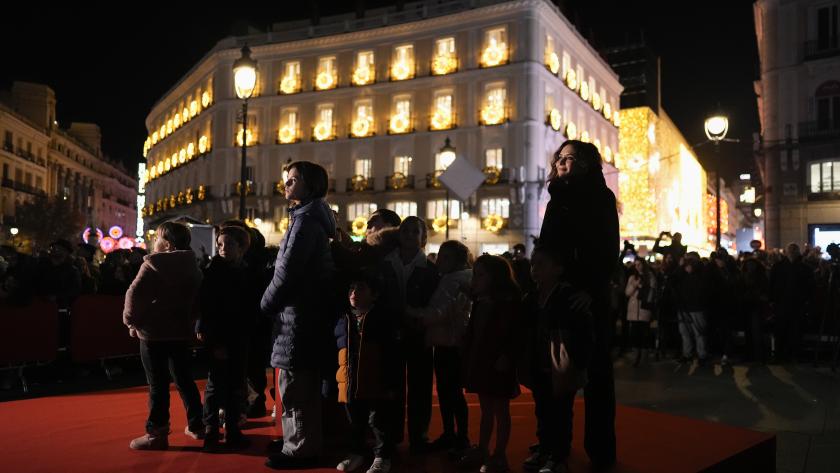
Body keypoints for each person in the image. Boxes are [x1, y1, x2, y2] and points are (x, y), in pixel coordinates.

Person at [538, 140, 619, 469]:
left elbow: (607, 247)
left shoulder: (600, 197)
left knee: (597, 377)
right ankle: (555, 445)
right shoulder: (557, 198)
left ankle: (600, 450)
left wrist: (592, 288)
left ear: (586, 163)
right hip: (558, 293)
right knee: (557, 376)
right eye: (559, 158)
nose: (561, 163)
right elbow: (547, 245)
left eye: (568, 158)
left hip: (587, 297)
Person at [263, 161, 336, 469]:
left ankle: (301, 448)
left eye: (293, 180)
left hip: (298, 314)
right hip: (301, 312)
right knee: (297, 384)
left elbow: (288, 271)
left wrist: (265, 304)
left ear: (311, 185)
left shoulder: (305, 222)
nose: (286, 184)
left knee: (295, 387)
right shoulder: (306, 218)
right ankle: (298, 440)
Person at [123, 221, 204, 450]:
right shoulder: (192, 266)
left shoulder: (153, 264)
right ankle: (197, 425)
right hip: (179, 331)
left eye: (157, 238)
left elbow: (135, 294)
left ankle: (157, 433)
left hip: (153, 333)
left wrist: (131, 321)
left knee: (157, 384)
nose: (153, 242)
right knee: (185, 380)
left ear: (166, 244)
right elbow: (199, 299)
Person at [521, 245, 594, 473]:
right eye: (533, 264)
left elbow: (585, 333)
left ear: (559, 269)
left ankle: (558, 455)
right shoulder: (532, 296)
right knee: (542, 407)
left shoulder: (569, 297)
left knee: (561, 410)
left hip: (561, 364)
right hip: (539, 362)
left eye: (541, 264)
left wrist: (579, 361)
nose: (534, 269)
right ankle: (545, 446)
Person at [406, 240, 473, 455]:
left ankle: (457, 437)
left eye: (445, 258)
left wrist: (412, 312)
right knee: (450, 392)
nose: (439, 261)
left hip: (448, 342)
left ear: (457, 261)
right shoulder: (462, 278)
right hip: (453, 341)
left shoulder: (452, 281)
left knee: (450, 392)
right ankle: (453, 435)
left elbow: (439, 312)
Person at [196, 225, 258, 452]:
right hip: (220, 335)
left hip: (239, 335)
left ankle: (232, 429)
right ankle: (211, 431)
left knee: (236, 385)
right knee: (216, 385)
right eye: (220, 244)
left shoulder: (245, 271)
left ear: (242, 247)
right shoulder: (214, 271)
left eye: (229, 244)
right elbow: (207, 307)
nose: (223, 249)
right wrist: (214, 338)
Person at [458, 255, 522, 473]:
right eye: (475, 274)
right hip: (482, 360)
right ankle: (484, 448)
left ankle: (499, 453)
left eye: (480, 275)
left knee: (500, 409)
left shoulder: (506, 302)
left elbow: (513, 333)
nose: (474, 279)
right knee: (486, 408)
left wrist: (507, 355)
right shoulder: (481, 300)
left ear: (495, 278)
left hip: (497, 361)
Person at [382, 216, 440, 453]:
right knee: (393, 386)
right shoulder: (386, 262)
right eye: (404, 230)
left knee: (420, 386)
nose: (407, 235)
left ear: (423, 238)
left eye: (413, 231)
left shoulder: (430, 269)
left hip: (419, 334)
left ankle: (419, 434)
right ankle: (393, 433)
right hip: (392, 333)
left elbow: (434, 302)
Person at [334, 271, 400, 473]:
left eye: (360, 288)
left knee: (378, 419)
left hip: (375, 379)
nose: (354, 292)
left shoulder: (382, 319)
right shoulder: (343, 317)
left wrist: (390, 383)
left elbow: (391, 355)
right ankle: (356, 453)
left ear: (375, 295)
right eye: (351, 288)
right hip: (349, 378)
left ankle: (382, 456)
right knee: (354, 419)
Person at [769, 243, 814, 362]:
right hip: (788, 303)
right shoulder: (804, 268)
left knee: (791, 329)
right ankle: (789, 353)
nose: (792, 253)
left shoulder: (779, 267)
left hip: (790, 304)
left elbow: (772, 285)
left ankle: (787, 353)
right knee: (787, 329)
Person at [675, 258, 708, 364]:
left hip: (695, 308)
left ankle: (701, 355)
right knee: (685, 333)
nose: (687, 267)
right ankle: (687, 354)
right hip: (685, 308)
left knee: (698, 333)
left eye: (688, 265)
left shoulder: (700, 277)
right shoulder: (683, 276)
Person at [625, 259, 657, 366]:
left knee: (644, 333)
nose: (637, 267)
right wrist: (635, 285)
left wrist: (644, 287)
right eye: (636, 265)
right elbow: (627, 293)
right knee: (634, 334)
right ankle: (636, 355)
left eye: (639, 264)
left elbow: (652, 292)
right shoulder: (632, 278)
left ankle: (644, 356)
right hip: (633, 309)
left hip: (644, 308)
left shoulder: (650, 277)